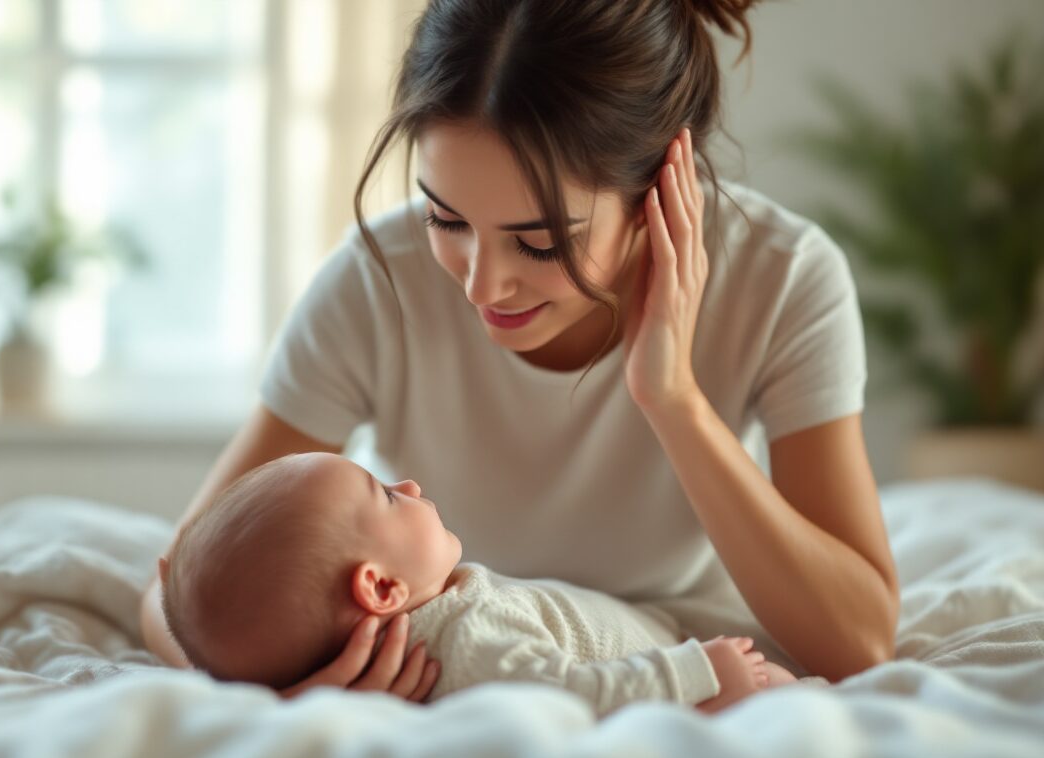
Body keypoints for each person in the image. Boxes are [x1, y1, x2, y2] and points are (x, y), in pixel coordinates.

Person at [140, 0, 899, 702]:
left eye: (540, 241)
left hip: (668, 642)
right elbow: (177, 591)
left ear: (663, 188)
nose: (481, 285)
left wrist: (673, 399)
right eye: (447, 219)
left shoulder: (783, 278)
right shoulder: (378, 281)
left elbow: (861, 642)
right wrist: (283, 688)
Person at [156, 451, 809, 714]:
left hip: (667, 628)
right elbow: (574, 695)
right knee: (784, 696)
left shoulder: (441, 613)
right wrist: (698, 671)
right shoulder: (468, 640)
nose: (409, 485)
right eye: (385, 496)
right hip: (676, 668)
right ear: (381, 590)